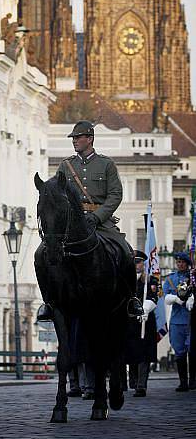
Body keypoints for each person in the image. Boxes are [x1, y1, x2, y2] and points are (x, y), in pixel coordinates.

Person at [37, 120, 143, 321]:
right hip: (72, 224)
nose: (74, 141)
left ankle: (132, 298)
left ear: (90, 139)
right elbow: (57, 193)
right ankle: (48, 302)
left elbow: (115, 195)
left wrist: (97, 216)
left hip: (100, 223)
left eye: (78, 138)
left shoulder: (106, 164)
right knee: (40, 253)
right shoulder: (66, 165)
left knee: (125, 251)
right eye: (73, 138)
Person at [125, 250, 158, 397]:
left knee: (144, 354)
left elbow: (155, 297)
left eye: (138, 262)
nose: (136, 265)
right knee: (132, 352)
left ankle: (141, 385)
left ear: (143, 264)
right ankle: (133, 380)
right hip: (130, 321)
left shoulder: (150, 280)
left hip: (146, 322)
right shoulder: (126, 280)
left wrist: (145, 308)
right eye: (134, 262)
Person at [163, 252, 193, 391]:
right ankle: (183, 382)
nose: (180, 264)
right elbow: (165, 295)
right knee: (179, 351)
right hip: (177, 320)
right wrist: (174, 298)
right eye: (178, 262)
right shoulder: (171, 278)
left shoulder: (192, 277)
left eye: (183, 262)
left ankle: (193, 380)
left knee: (193, 351)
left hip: (191, 319)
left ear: (187, 263)